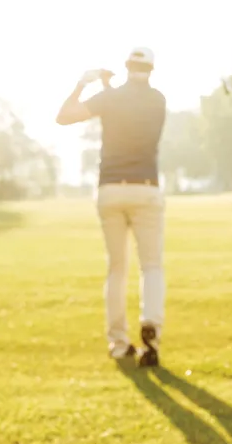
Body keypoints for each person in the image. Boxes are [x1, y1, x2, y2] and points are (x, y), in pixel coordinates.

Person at [56, 47, 167, 367]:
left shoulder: (111, 98)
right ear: (151, 69)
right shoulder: (158, 100)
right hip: (146, 190)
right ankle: (152, 329)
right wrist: (108, 89)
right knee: (151, 267)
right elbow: (128, 111)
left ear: (127, 66)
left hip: (110, 190)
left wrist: (84, 83)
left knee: (117, 269)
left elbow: (64, 116)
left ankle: (119, 343)